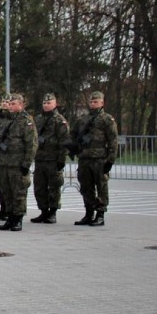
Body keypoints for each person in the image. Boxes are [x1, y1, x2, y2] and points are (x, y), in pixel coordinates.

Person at [70, 91, 118, 226]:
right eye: (91, 102)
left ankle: (100, 214)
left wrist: (110, 160)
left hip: (100, 158)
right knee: (85, 187)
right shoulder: (82, 119)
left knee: (101, 186)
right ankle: (89, 212)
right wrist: (73, 147)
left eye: (96, 101)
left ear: (102, 103)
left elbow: (113, 140)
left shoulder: (107, 119)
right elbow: (73, 135)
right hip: (84, 158)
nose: (93, 104)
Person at [0, 93, 37, 231]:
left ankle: (18, 219)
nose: (11, 106)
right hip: (3, 163)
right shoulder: (5, 120)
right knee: (6, 191)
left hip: (17, 164)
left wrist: (26, 163)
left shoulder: (26, 121)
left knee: (18, 193)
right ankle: (10, 217)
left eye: (14, 104)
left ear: (21, 105)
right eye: (9, 104)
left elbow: (32, 144)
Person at [31, 93, 70, 223]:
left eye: (49, 103)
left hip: (53, 159)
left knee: (54, 187)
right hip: (40, 159)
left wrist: (61, 159)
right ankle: (43, 211)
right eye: (44, 103)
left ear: (55, 104)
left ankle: (52, 212)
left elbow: (64, 141)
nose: (46, 105)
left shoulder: (59, 120)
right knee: (39, 187)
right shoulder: (38, 119)